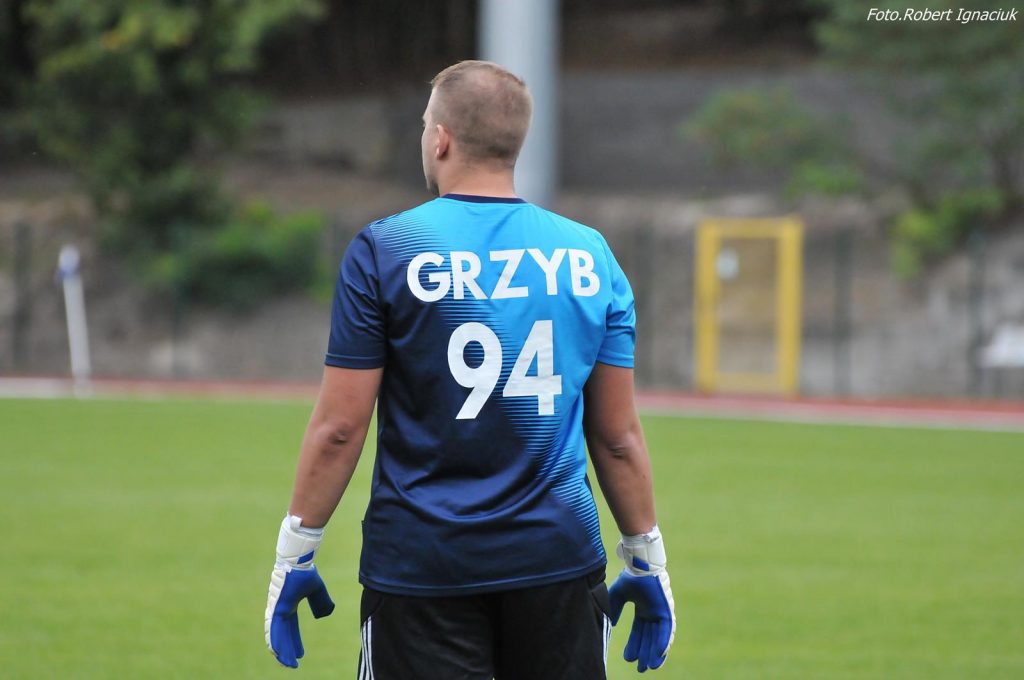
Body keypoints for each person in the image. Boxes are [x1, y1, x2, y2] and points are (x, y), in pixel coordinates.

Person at [264, 60, 676, 679]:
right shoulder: (590, 254)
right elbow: (616, 436)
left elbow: (340, 428)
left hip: (423, 565)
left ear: (441, 139)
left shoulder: (385, 248)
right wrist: (646, 557)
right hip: (557, 559)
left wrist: (295, 551)